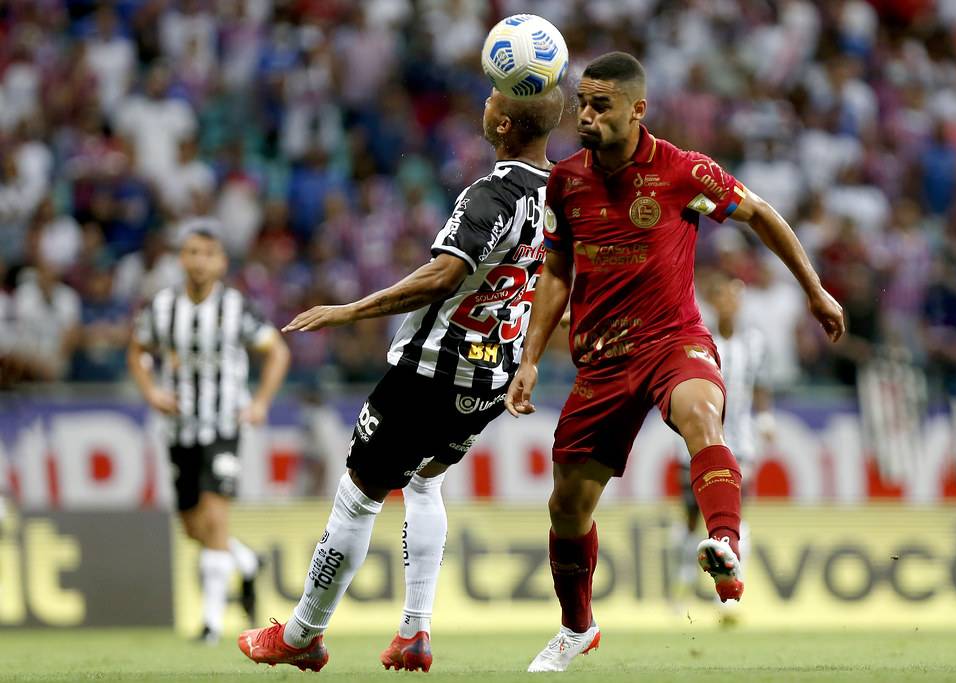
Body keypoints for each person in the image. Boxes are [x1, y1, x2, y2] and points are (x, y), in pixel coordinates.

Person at [504, 52, 845, 672]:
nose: (585, 114)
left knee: (701, 415)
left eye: (600, 104)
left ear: (638, 109)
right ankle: (577, 627)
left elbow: (762, 215)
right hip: (602, 363)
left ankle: (725, 545)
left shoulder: (683, 171)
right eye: (582, 102)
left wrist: (815, 290)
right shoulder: (565, 180)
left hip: (672, 342)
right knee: (566, 508)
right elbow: (554, 273)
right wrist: (528, 359)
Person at [236, 85, 565, 673]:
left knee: (358, 495)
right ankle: (415, 629)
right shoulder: (564, 192)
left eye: (492, 97)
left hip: (430, 368)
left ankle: (302, 633)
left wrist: (347, 311)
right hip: (492, 373)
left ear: (505, 124)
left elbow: (442, 277)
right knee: (424, 482)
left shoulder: (492, 194)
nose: (484, 101)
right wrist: (530, 358)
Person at [127, 219, 291, 643]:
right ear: (182, 258)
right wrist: (151, 391)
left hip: (223, 425)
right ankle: (247, 562)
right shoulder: (162, 307)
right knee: (192, 526)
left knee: (215, 517)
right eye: (192, 253)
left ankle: (211, 624)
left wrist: (260, 403)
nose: (199, 262)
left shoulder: (237, 307)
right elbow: (137, 349)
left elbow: (277, 353)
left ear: (222, 263)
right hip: (180, 428)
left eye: (208, 254)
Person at [677, 274, 774, 624]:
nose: (729, 304)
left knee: (736, 515)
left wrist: (764, 417)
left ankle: (728, 601)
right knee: (690, 519)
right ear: (713, 302)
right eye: (723, 297)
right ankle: (682, 586)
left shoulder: (755, 343)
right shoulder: (700, 340)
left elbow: (761, 384)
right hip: (697, 442)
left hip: (740, 442)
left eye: (735, 297)